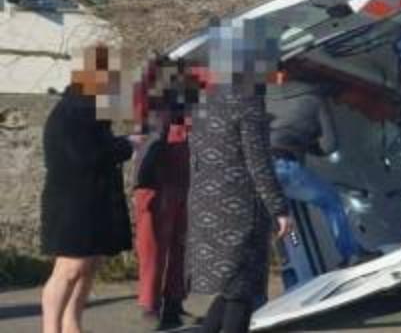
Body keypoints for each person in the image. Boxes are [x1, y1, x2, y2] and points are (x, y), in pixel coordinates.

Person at [187, 20, 291, 333]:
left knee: (233, 290)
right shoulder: (248, 99)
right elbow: (258, 162)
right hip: (238, 210)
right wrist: (280, 209)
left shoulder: (207, 97)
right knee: (242, 294)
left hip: (206, 205)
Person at [40, 44, 142, 333]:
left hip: (91, 199)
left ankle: (72, 324)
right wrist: (127, 145)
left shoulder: (89, 106)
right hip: (72, 203)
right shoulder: (76, 109)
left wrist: (122, 143)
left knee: (89, 265)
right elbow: (85, 156)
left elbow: (97, 149)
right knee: (69, 268)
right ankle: (51, 329)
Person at [266, 76, 359, 265]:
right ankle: (352, 254)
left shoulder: (261, 96)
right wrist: (306, 143)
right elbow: (329, 145)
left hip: (259, 168)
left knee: (279, 216)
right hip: (285, 165)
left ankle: (287, 265)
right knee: (332, 202)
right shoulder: (314, 99)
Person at [131, 65, 192, 331]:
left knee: (182, 248)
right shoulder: (150, 108)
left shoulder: (189, 110)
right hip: (155, 185)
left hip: (184, 183)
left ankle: (174, 303)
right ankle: (149, 306)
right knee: (152, 248)